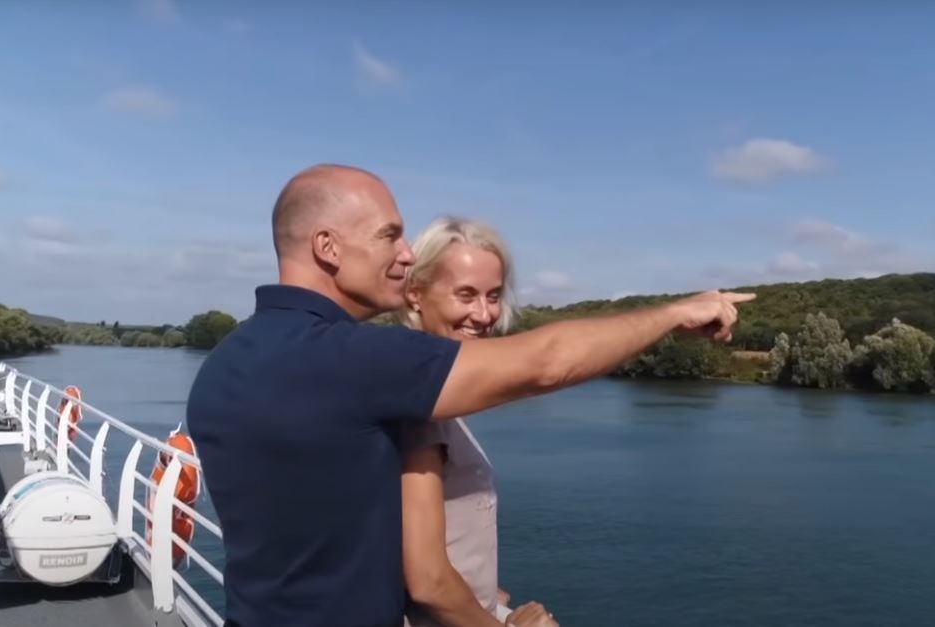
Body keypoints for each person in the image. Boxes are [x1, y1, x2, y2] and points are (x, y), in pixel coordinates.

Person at [186, 164, 753, 627]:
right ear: (327, 247)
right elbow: (547, 363)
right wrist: (677, 312)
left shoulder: (221, 367)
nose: (405, 254)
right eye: (388, 234)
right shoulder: (352, 360)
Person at [393, 216, 550, 627]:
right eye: (466, 295)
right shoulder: (418, 409)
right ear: (415, 293)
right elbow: (427, 583)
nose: (484, 314)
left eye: (493, 295)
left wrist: (481, 588)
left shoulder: (425, 389)